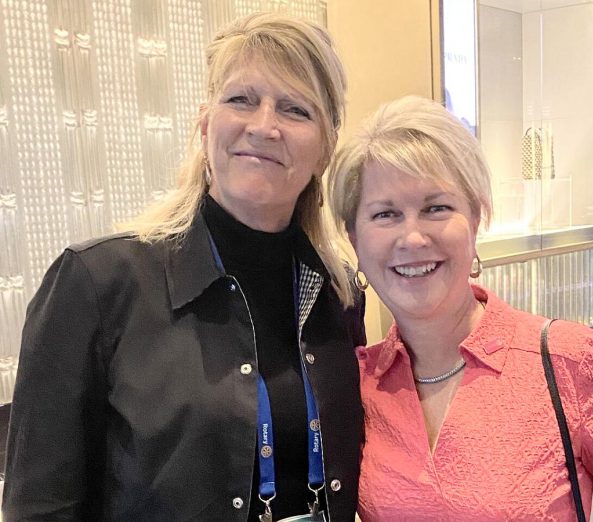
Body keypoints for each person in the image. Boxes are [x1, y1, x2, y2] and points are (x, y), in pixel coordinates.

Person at [3, 13, 365, 522]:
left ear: (325, 147)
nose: (264, 126)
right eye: (241, 99)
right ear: (205, 122)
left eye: (295, 109)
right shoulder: (96, 283)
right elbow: (40, 506)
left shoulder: (337, 292)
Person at [327, 95, 593, 521]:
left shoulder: (568, 359)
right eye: (385, 214)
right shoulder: (359, 384)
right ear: (354, 238)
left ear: (476, 219)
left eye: (436, 208)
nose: (413, 237)